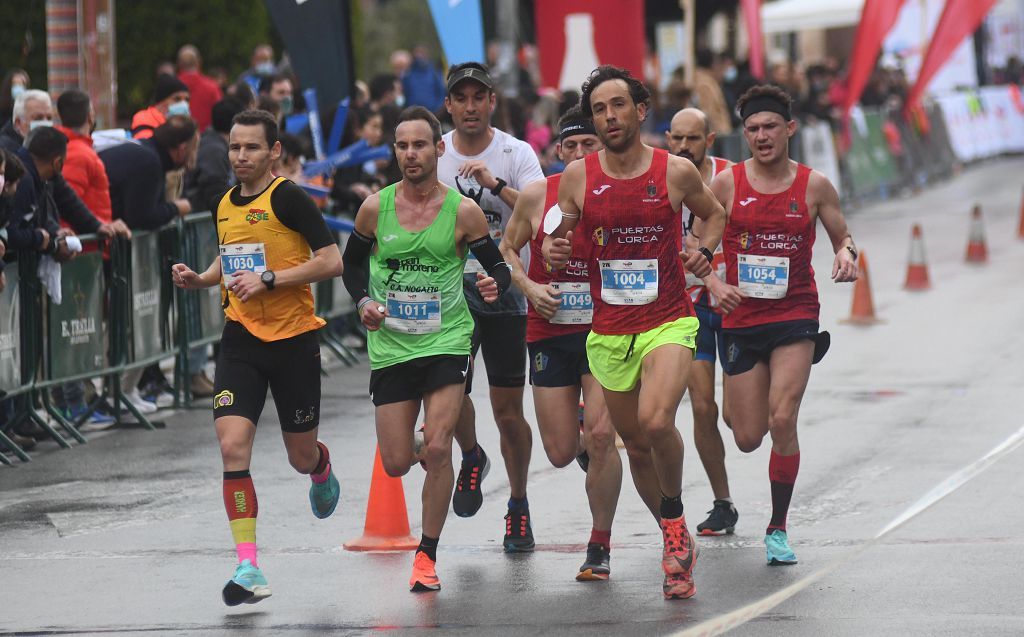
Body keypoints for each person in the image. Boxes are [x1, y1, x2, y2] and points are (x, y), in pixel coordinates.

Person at [543, 65, 726, 599]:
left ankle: (672, 521)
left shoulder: (675, 172)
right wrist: (555, 250)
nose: (609, 117)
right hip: (608, 333)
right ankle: (674, 531)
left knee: (655, 419)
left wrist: (705, 252)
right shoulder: (578, 176)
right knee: (637, 448)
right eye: (599, 109)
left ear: (640, 111)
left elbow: (712, 216)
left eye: (618, 105)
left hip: (667, 320)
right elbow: (561, 236)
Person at [171, 109, 343, 606]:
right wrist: (203, 279)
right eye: (233, 147)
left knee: (298, 454)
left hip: (293, 342)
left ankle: (320, 468)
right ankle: (248, 565)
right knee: (232, 446)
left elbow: (330, 260)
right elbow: (232, 254)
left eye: (250, 147)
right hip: (241, 338)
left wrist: (272, 278)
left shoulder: (288, 197)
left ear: (274, 152)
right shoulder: (223, 203)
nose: (240, 156)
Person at [342, 106, 509, 593]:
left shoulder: (464, 211)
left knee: (437, 448)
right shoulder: (375, 208)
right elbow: (351, 267)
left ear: (438, 149)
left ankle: (426, 554)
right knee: (397, 461)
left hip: (447, 339)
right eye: (402, 146)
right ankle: (468, 453)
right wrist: (364, 300)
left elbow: (496, 266)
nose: (410, 154)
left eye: (419, 145)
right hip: (392, 345)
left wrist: (494, 283)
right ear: (394, 151)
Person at [709, 85, 858, 566]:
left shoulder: (814, 186)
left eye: (770, 126)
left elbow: (843, 235)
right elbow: (693, 245)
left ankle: (777, 527)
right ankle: (736, 399)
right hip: (740, 318)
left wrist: (846, 254)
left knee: (782, 418)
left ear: (789, 129)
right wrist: (712, 283)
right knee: (747, 435)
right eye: (752, 129)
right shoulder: (727, 185)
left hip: (795, 314)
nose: (761, 136)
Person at [499, 105, 622, 580]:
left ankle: (599, 546)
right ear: (556, 150)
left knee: (602, 437)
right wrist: (529, 288)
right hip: (549, 331)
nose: (577, 152)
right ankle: (584, 429)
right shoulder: (536, 195)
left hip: (602, 331)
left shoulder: (615, 193)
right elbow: (506, 250)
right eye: (569, 145)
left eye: (587, 143)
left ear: (600, 146)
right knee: (559, 451)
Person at [436, 62, 545, 551]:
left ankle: (518, 503)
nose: (471, 106)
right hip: (449, 291)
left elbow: (544, 211)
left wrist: (495, 184)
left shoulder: (514, 152)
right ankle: (471, 454)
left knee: (507, 410)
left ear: (491, 102)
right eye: (461, 98)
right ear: (450, 106)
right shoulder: (435, 152)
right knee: (449, 394)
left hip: (505, 288)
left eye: (479, 97)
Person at [665, 107, 740, 536]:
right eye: (675, 138)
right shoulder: (666, 179)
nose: (682, 147)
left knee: (736, 419)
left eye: (691, 139)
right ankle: (723, 501)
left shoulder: (729, 177)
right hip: (692, 305)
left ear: (709, 140)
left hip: (735, 304)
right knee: (702, 405)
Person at [176, 44, 223, 133]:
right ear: (199, 62)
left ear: (179, 63)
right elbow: (220, 115)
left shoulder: (172, 87)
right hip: (207, 139)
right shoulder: (212, 87)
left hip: (178, 140)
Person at [131, 74, 190, 139]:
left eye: (187, 100)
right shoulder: (144, 120)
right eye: (177, 99)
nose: (183, 104)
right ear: (160, 102)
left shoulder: (182, 124)